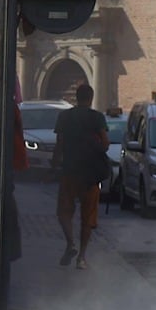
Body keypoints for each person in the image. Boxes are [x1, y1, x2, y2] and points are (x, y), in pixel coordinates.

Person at [51, 82, 110, 271]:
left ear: (76, 97)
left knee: (64, 213)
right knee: (87, 217)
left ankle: (70, 243)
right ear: (91, 98)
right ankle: (82, 258)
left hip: (69, 172)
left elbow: (59, 145)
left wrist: (54, 165)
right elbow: (106, 143)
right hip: (90, 175)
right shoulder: (97, 118)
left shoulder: (64, 116)